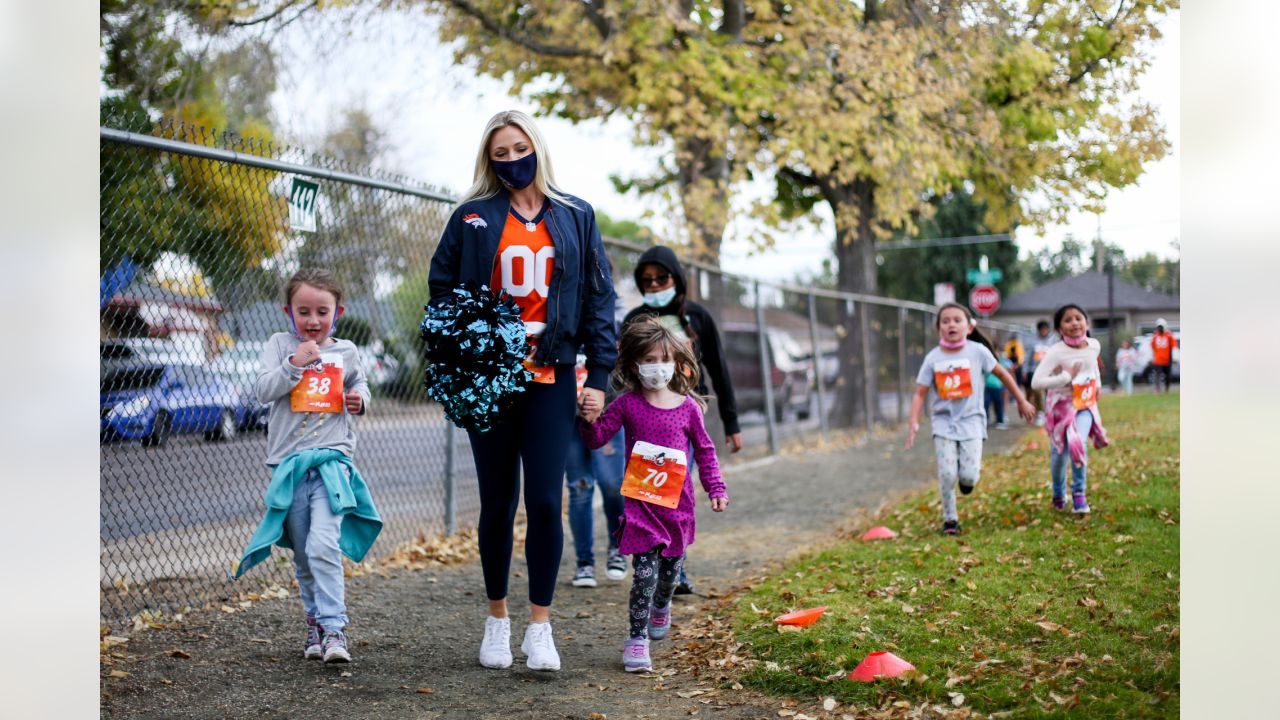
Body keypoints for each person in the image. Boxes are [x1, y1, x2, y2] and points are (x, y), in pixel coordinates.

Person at [428, 110, 618, 672]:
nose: (512, 160)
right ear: (489, 161)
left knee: (543, 502)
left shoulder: (577, 215)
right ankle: (496, 620)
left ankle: (540, 626)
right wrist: (470, 346)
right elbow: (440, 293)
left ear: (537, 146)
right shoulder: (471, 217)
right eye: (500, 154)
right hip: (491, 382)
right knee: (497, 503)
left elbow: (598, 299)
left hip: (552, 378)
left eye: (519, 148)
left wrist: (600, 377)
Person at [236, 268, 381, 664]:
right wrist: (293, 364)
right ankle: (314, 625)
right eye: (304, 311)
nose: (313, 321)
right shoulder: (278, 344)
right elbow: (264, 390)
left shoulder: (346, 351)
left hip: (333, 462)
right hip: (289, 466)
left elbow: (361, 384)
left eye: (322, 311)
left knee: (322, 545)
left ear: (338, 311)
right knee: (303, 554)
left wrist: (359, 399)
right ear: (288, 311)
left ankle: (336, 629)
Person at [578, 316, 727, 672]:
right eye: (647, 360)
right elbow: (598, 438)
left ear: (676, 362)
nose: (656, 367)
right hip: (640, 506)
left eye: (662, 358)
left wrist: (716, 487)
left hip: (677, 507)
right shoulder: (628, 404)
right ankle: (636, 639)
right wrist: (587, 418)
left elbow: (705, 451)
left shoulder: (689, 407)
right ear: (635, 364)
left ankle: (663, 605)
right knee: (644, 574)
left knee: (669, 575)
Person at [623, 246, 741, 596]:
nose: (656, 285)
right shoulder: (635, 319)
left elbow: (718, 370)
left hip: (683, 419)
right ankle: (652, 559)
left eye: (663, 278)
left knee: (675, 490)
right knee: (650, 494)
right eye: (647, 281)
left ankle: (676, 567)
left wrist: (732, 423)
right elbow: (623, 373)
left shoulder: (698, 317)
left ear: (677, 278)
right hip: (645, 420)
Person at [906, 303, 1034, 534]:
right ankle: (950, 520)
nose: (951, 324)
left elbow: (1003, 374)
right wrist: (914, 420)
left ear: (969, 326)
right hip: (943, 423)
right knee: (947, 473)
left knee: (968, 475)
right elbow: (920, 392)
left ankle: (966, 482)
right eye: (945, 321)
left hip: (972, 422)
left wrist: (1022, 400)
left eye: (957, 320)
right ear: (938, 329)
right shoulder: (933, 358)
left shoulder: (978, 352)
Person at [1031, 304, 1111, 514]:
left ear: (1087, 322)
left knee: (1078, 442)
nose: (1074, 323)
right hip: (1060, 407)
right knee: (1059, 455)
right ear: (1059, 328)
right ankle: (1058, 492)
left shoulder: (1093, 345)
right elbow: (1036, 382)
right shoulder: (1056, 352)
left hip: (1084, 404)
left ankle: (1079, 495)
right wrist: (1065, 378)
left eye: (1078, 318)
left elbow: (1092, 366)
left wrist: (1098, 386)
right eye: (1068, 320)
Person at [566, 355, 627, 588]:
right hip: (569, 419)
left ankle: (617, 547)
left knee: (612, 485)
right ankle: (584, 563)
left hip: (607, 413)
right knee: (579, 488)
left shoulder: (606, 324)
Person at [1022, 320, 1058, 426]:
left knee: (1050, 393)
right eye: (1042, 330)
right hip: (1036, 371)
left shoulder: (1052, 341)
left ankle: (1050, 414)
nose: (1044, 331)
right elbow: (1027, 357)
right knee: (1038, 393)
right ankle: (1041, 413)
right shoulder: (1033, 342)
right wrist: (1025, 370)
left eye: (1045, 329)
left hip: (1050, 372)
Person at [1149, 319, 1178, 393]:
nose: (1160, 329)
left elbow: (1174, 346)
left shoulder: (1169, 335)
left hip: (1167, 359)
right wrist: (1151, 357)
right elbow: (1152, 347)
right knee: (1157, 375)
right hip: (1158, 359)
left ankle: (1166, 389)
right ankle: (1157, 389)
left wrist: (1175, 356)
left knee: (1167, 375)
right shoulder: (1155, 335)